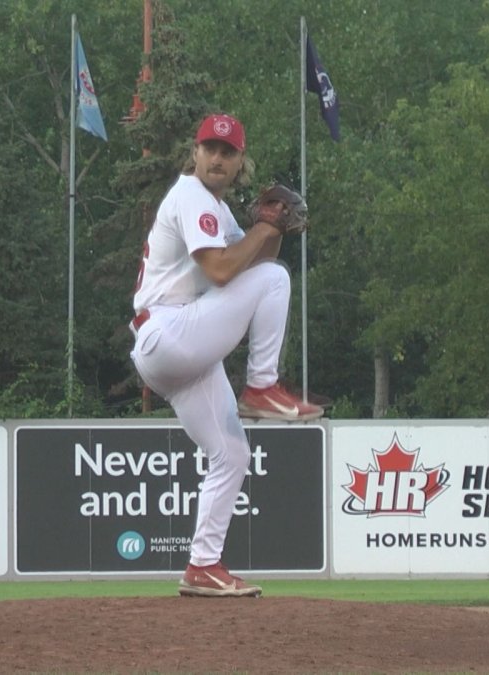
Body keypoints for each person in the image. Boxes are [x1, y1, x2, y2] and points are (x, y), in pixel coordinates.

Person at [129, 113, 322, 597]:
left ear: (240, 163)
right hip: (170, 332)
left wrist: (271, 228)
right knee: (276, 282)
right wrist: (265, 227)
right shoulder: (192, 196)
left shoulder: (217, 210)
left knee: (232, 453)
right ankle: (261, 386)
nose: (217, 158)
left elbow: (254, 261)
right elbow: (221, 271)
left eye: (228, 152)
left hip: (178, 352)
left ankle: (203, 566)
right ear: (194, 154)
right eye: (209, 149)